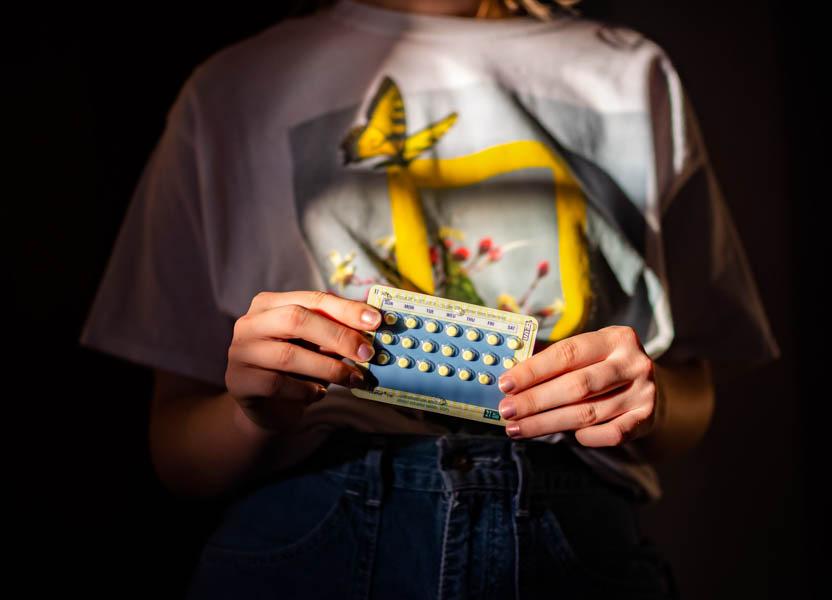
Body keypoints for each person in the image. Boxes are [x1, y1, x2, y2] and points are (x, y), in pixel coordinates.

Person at [80, 0, 779, 597]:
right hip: (308, 520)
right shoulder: (229, 90)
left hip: (574, 531)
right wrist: (250, 413)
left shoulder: (633, 76)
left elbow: (693, 388)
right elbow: (175, 452)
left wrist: (646, 401)